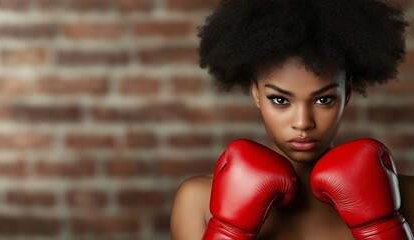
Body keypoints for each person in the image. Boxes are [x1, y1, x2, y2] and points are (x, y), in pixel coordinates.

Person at [170, 0, 414, 239]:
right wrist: (228, 231)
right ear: (256, 93)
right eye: (280, 100)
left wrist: (385, 226)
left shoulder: (406, 197)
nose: (303, 122)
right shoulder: (199, 200)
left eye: (323, 100)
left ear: (346, 93)